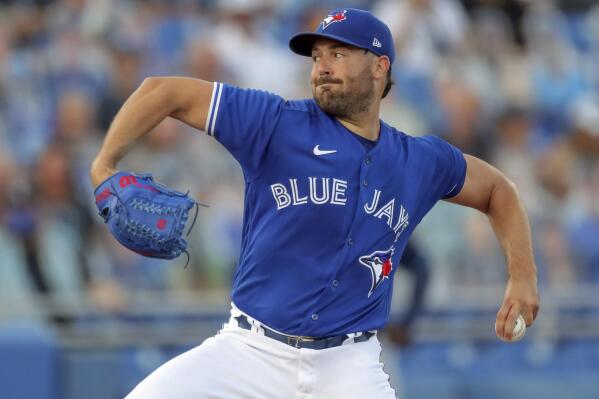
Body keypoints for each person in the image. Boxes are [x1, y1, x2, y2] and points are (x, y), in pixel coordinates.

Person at [90, 8, 539, 399]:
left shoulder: (419, 160)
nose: (322, 66)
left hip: (349, 365)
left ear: (379, 66)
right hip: (249, 351)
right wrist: (104, 167)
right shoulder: (275, 122)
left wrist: (522, 277)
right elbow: (161, 91)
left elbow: (500, 190)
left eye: (338, 54)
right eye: (317, 55)